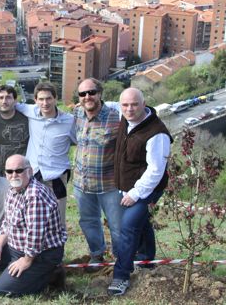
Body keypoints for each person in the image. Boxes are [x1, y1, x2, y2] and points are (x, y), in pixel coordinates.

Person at [107, 88, 172, 297]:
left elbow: (155, 171)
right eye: (125, 105)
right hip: (127, 185)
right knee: (141, 223)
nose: (129, 109)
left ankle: (121, 276)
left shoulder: (156, 133)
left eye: (134, 104)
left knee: (128, 227)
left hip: (147, 189)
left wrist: (135, 194)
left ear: (144, 104)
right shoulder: (125, 118)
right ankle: (146, 259)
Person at [0, 82, 76, 227]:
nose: (45, 103)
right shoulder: (31, 111)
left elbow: (77, 140)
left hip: (56, 175)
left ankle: (56, 248)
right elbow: (5, 103)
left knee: (56, 219)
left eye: (48, 98)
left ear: (55, 99)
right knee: (30, 216)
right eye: (41, 99)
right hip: (32, 174)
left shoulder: (69, 121)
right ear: (35, 100)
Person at [0, 154, 67, 297]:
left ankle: (50, 273)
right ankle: (21, 272)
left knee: (2, 290)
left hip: (41, 253)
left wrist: (26, 260)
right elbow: (7, 223)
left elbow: (35, 236)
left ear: (29, 171)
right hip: (17, 247)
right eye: (9, 172)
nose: (14, 175)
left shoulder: (35, 196)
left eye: (19, 171)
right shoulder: (12, 191)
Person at [73, 78, 124, 267]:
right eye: (83, 94)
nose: (87, 97)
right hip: (82, 184)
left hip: (109, 185)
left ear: (100, 93)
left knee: (117, 226)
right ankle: (96, 254)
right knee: (88, 222)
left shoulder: (116, 116)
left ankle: (120, 259)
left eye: (91, 92)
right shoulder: (77, 113)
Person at [0, 84, 29, 175]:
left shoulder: (27, 119)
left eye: (8, 97)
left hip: (22, 171)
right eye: (1, 98)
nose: (4, 101)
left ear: (15, 101)